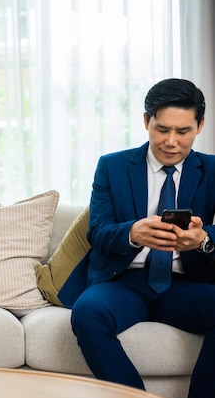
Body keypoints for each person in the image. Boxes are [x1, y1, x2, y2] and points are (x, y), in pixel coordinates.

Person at [58, 78, 215, 398]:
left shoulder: (212, 170)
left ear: (199, 126)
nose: (171, 141)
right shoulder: (112, 166)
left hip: (187, 284)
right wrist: (132, 233)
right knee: (87, 312)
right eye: (162, 129)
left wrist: (201, 239)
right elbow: (98, 231)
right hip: (124, 281)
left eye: (183, 131)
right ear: (146, 121)